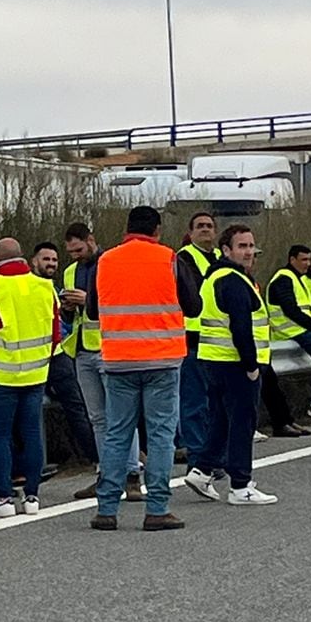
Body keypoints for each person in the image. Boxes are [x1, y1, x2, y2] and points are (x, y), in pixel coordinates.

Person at [87, 204, 201, 530]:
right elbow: (194, 306)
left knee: (117, 434)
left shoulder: (105, 261)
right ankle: (157, 508)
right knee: (161, 435)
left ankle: (107, 510)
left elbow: (93, 311)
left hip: (118, 360)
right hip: (162, 360)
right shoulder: (169, 258)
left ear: (127, 229)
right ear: (157, 230)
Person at [184, 224, 278, 505]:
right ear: (226, 250)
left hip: (214, 361)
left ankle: (201, 470)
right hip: (235, 363)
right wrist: (251, 365)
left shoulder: (215, 277)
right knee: (242, 423)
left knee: (221, 421)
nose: (249, 252)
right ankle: (241, 485)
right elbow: (241, 327)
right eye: (242, 246)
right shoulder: (234, 281)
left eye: (251, 246)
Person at [0, 237, 61, 516]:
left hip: (1, 376)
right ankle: (32, 497)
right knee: (32, 433)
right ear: (23, 257)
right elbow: (56, 333)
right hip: (36, 373)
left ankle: (3, 498)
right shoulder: (45, 288)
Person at [62, 222, 137, 501]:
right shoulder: (71, 271)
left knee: (121, 416)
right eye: (70, 252)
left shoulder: (111, 264)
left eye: (79, 249)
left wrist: (88, 299)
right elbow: (71, 320)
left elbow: (122, 304)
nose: (75, 256)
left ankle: (131, 475)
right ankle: (107, 475)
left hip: (110, 348)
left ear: (91, 240)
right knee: (98, 419)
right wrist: (68, 308)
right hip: (82, 350)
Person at [36, 236, 98, 470]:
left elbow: (66, 322)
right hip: (41, 357)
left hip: (64, 353)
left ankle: (98, 458)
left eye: (54, 259)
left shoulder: (57, 286)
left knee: (80, 408)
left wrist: (70, 309)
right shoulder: (32, 286)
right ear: (34, 261)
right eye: (46, 259)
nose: (51, 263)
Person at [267, 243, 311, 421]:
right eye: (303, 259)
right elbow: (291, 309)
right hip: (291, 330)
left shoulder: (300, 279)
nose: (307, 264)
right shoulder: (284, 278)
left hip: (302, 328)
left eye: (308, 259)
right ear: (292, 259)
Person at [174, 212, 221, 463]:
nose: (205, 230)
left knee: (213, 402)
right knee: (194, 402)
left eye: (209, 226)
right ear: (190, 233)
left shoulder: (218, 258)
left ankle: (212, 455)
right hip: (192, 338)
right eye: (200, 226)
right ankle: (198, 457)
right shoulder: (184, 258)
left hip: (216, 339)